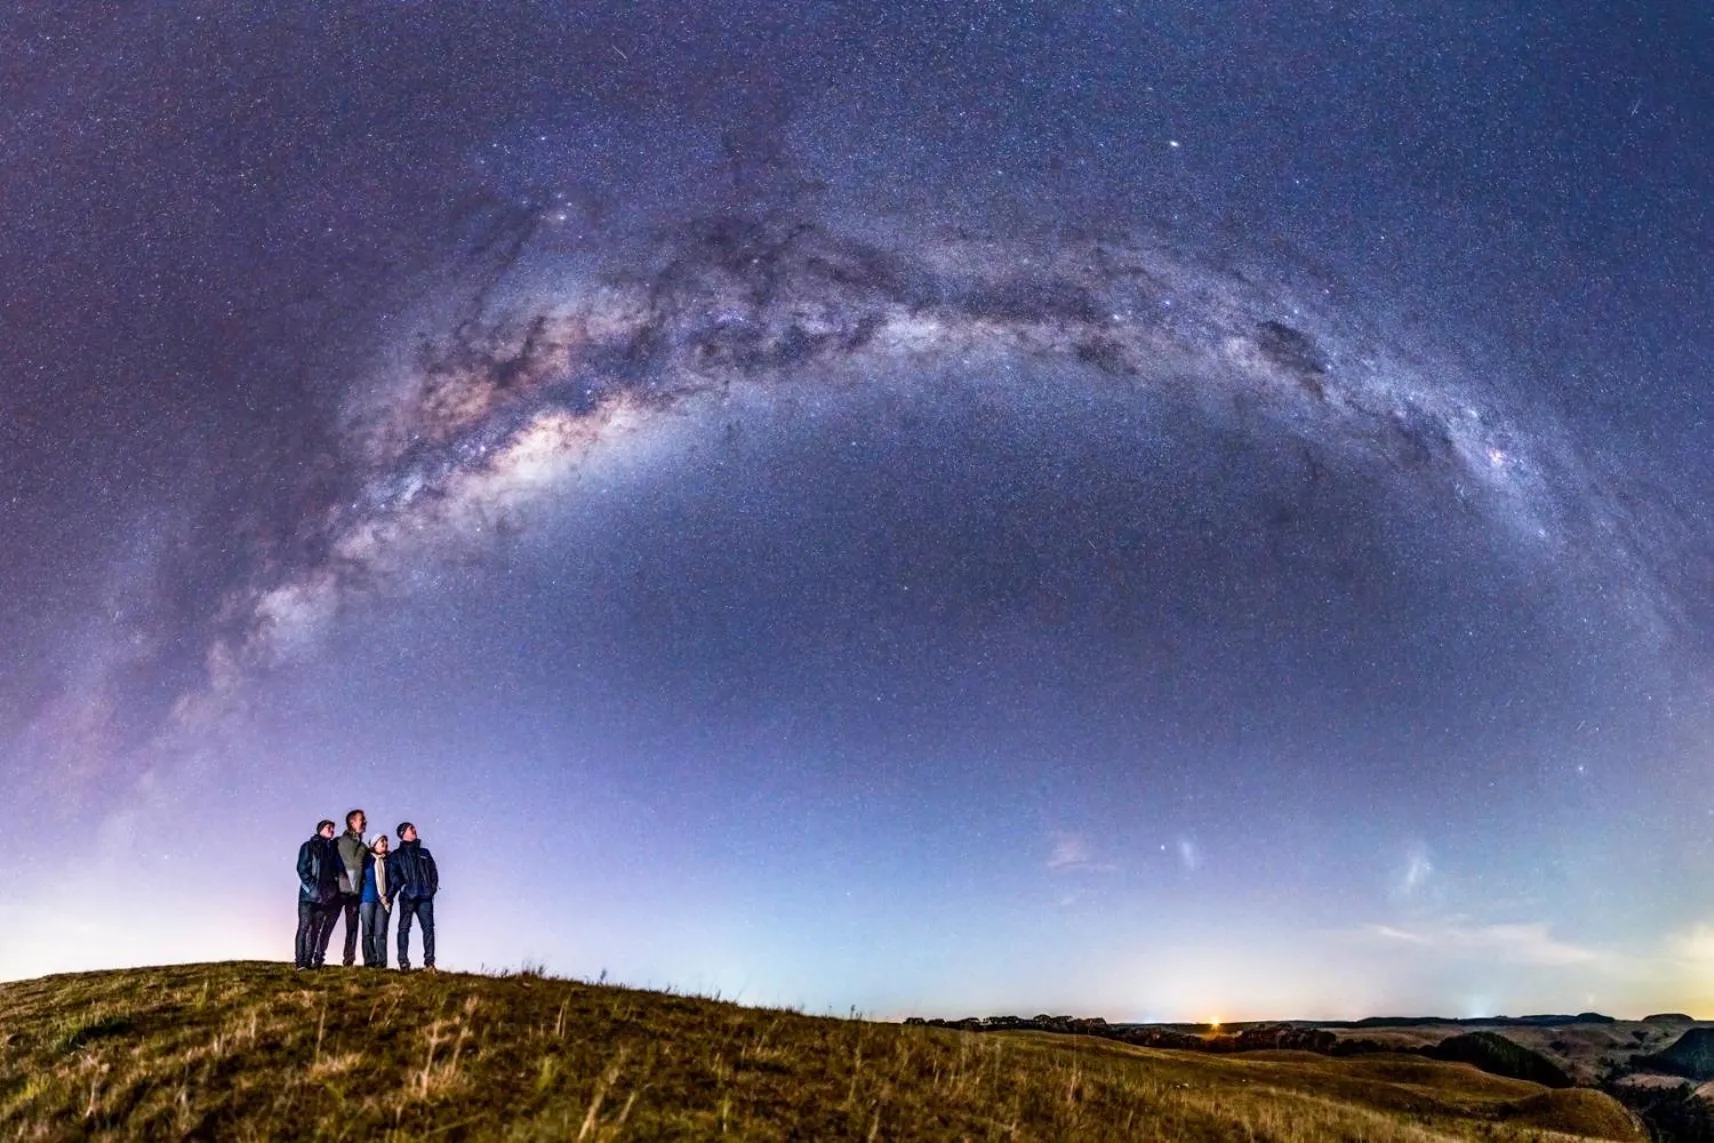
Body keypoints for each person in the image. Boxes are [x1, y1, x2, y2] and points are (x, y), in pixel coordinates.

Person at [321, 808, 368, 968]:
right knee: (329, 924)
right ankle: (318, 956)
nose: (365, 822)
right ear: (352, 822)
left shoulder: (363, 847)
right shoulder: (338, 842)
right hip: (338, 891)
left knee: (352, 928)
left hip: (354, 893)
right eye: (362, 819)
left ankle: (349, 960)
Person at [389, 821, 439, 972]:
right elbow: (393, 875)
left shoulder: (424, 853)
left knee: (428, 929)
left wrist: (431, 889)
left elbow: (433, 872)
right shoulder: (396, 855)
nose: (415, 830)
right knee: (404, 928)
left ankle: (429, 963)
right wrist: (403, 887)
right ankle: (403, 962)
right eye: (411, 828)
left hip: (425, 897)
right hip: (407, 897)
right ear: (403, 833)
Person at [294, 819, 339, 969]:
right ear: (320, 829)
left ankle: (308, 962)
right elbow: (302, 869)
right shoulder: (308, 846)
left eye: (333, 828)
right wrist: (313, 889)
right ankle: (300, 963)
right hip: (308, 897)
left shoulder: (331, 850)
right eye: (329, 828)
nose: (332, 830)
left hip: (324, 898)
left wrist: (331, 891)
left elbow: (334, 873)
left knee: (315, 930)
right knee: (304, 927)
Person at [359, 834, 393, 968]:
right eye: (381, 841)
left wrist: (388, 896)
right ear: (374, 844)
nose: (384, 843)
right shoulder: (366, 859)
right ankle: (369, 961)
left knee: (381, 932)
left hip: (383, 900)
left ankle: (382, 962)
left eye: (386, 840)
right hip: (367, 899)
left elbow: (394, 880)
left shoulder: (389, 861)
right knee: (367, 931)